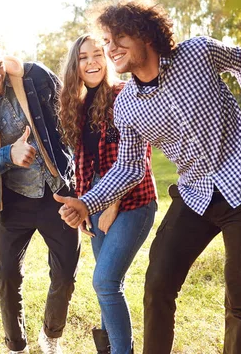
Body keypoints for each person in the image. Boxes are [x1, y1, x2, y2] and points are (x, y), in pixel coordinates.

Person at [54, 0, 241, 354]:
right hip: (196, 195)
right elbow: (129, 168)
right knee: (158, 283)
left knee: (240, 298)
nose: (110, 48)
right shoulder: (128, 104)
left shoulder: (198, 53)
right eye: (106, 41)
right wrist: (85, 203)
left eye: (118, 37)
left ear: (145, 33)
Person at [0, 34, 80, 354]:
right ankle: (16, 345)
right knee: (8, 276)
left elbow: (72, 114)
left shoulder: (34, 76)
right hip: (12, 200)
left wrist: (76, 169)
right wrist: (9, 154)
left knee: (65, 273)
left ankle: (51, 335)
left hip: (57, 192)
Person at [58, 34, 157, 354]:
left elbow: (139, 157)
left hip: (133, 201)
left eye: (97, 54)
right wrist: (84, 207)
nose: (91, 62)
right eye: (84, 57)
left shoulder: (124, 94)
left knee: (104, 282)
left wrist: (111, 205)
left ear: (107, 58)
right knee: (109, 285)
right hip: (95, 200)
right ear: (76, 66)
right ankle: (109, 347)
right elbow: (84, 164)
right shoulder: (78, 106)